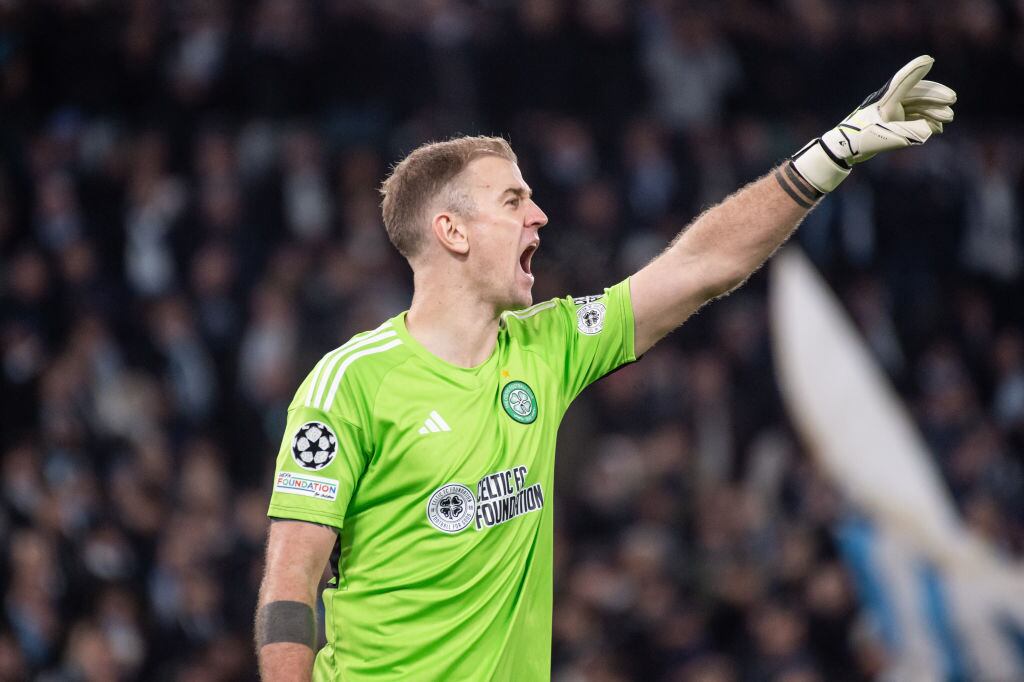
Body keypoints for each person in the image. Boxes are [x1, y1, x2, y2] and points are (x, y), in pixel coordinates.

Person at [254, 56, 955, 681]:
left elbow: (701, 266)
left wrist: (831, 153)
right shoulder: (350, 384)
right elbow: (290, 584)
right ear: (452, 231)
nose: (541, 215)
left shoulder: (547, 346)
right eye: (514, 200)